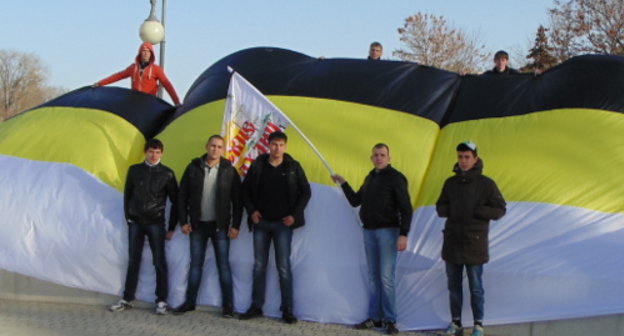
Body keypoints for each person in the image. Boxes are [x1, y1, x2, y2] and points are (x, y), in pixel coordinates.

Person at [331, 143, 412, 335]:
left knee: (386, 278)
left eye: (382, 155)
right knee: (374, 279)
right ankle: (375, 318)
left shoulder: (396, 178)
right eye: (375, 155)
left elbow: (406, 208)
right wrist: (343, 184)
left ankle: (390, 320)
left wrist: (403, 234)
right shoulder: (370, 178)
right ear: (371, 158)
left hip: (388, 233)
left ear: (389, 158)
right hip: (369, 232)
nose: (379, 158)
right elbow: (356, 200)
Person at [239, 131, 311, 324]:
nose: (277, 148)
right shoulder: (258, 164)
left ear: (285, 146)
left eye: (280, 145)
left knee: (284, 267)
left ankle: (287, 309)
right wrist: (252, 211)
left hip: (282, 225)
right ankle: (256, 306)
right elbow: (245, 190)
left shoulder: (293, 166)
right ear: (268, 146)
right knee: (259, 266)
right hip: (261, 223)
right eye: (274, 144)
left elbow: (306, 192)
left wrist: (294, 216)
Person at [435, 141, 506, 336]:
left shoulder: (486, 184)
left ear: (475, 159)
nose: (463, 161)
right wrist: (454, 210)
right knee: (453, 286)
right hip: (452, 242)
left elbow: (500, 209)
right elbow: (440, 207)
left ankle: (478, 325)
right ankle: (456, 323)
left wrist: (478, 211)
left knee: (476, 287)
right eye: (460, 157)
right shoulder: (450, 183)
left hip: (475, 243)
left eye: (467, 157)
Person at [172, 135, 243, 318]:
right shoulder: (193, 167)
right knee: (196, 265)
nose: (215, 149)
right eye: (212, 146)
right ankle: (189, 303)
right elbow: (182, 196)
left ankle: (228, 307)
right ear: (206, 146)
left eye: (219, 147)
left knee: (223, 266)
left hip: (220, 226)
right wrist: (183, 221)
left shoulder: (229, 170)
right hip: (197, 226)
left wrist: (235, 225)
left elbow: (237, 200)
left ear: (223, 149)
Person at [109, 138, 178, 315]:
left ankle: (161, 300)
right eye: (151, 151)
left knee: (159, 262)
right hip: (136, 223)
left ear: (162, 153)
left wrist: (171, 227)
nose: (153, 155)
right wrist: (129, 218)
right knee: (133, 261)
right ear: (145, 152)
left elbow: (176, 202)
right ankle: (127, 298)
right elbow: (127, 196)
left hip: (156, 223)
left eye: (157, 152)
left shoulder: (167, 174)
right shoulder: (134, 170)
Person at [94, 42, 181, 106]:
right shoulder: (133, 68)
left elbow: (167, 84)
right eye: (144, 51)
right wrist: (100, 83)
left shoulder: (156, 69)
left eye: (148, 51)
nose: (146, 53)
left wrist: (176, 102)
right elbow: (118, 76)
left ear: (151, 54)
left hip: (149, 102)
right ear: (140, 53)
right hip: (135, 101)